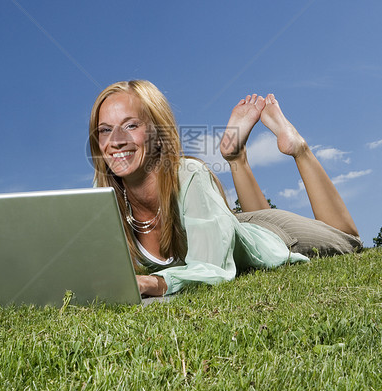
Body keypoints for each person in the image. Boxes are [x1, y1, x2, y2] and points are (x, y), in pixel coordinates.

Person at [89, 80, 362, 297]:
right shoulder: (105, 198)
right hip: (223, 224)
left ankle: (297, 146)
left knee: (348, 239)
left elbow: (211, 268)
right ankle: (236, 157)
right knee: (238, 234)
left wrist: (157, 283)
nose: (116, 141)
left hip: (272, 235)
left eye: (131, 125)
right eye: (104, 130)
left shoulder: (188, 175)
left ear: (157, 133)